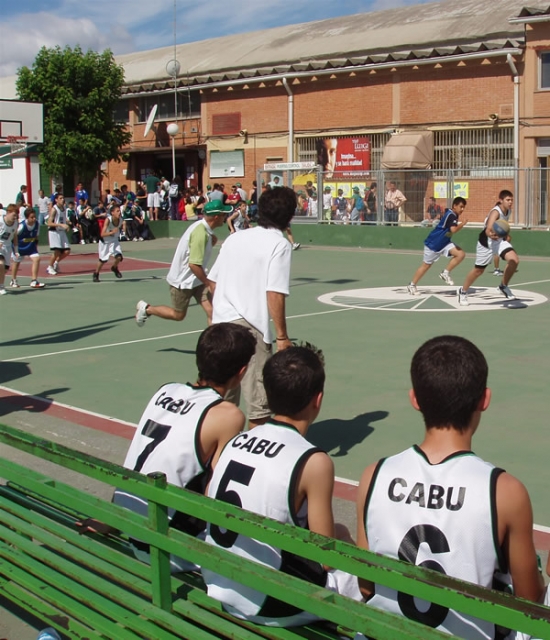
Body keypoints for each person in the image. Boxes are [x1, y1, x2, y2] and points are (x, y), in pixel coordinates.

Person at [355, 335, 545, 639]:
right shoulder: (505, 491)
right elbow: (529, 603)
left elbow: (366, 584)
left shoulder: (373, 475)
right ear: (485, 399)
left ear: (415, 399)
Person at [203, 345, 361, 626]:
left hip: (221, 584)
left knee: (340, 533)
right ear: (318, 400)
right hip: (269, 603)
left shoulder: (236, 441)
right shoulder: (313, 461)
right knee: (360, 573)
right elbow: (325, 558)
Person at [109, 322, 256, 572]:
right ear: (241, 372)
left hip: (128, 521)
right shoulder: (227, 415)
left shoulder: (166, 390)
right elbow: (216, 491)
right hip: (163, 544)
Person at [207, 186, 296, 428]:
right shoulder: (279, 245)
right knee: (259, 407)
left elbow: (212, 283)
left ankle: (217, 456)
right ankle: (250, 460)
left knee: (221, 400)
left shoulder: (235, 238)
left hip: (221, 324)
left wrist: (215, 315)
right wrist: (282, 337)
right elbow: (275, 293)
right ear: (289, 217)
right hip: (250, 329)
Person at [135, 200, 230, 327]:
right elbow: (193, 265)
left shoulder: (204, 229)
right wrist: (209, 283)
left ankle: (214, 345)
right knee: (178, 315)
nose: (225, 217)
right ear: (216, 217)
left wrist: (210, 242)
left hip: (197, 279)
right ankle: (147, 309)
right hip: (182, 282)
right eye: (224, 214)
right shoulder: (200, 234)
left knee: (212, 312)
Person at [458, 190, 518, 306]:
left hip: (498, 240)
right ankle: (463, 291)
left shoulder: (508, 210)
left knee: (514, 260)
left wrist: (505, 235)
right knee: (478, 270)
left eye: (511, 200)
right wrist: (490, 233)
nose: (510, 202)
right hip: (486, 242)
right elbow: (489, 228)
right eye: (508, 200)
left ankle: (503, 286)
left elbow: (501, 226)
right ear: (501, 200)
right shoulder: (495, 212)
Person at [407, 196, 468, 295]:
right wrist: (463, 224)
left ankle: (445, 272)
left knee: (460, 254)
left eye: (464, 207)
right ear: (455, 206)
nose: (462, 209)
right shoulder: (451, 215)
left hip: (445, 242)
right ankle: (412, 285)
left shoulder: (454, 214)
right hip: (434, 243)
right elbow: (453, 230)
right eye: (461, 207)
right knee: (426, 265)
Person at [10, 207, 45, 289]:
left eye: (34, 217)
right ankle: (13, 280)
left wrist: (35, 246)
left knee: (37, 259)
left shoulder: (37, 224)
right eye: (31, 217)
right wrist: (14, 249)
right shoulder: (21, 226)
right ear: (27, 218)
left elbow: (36, 237)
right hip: (20, 248)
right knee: (16, 262)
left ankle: (34, 280)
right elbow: (13, 236)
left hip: (31, 247)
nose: (34, 219)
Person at [92, 203, 123, 282]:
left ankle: (114, 267)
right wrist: (111, 232)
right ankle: (96, 274)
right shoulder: (108, 220)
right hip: (105, 241)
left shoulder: (121, 220)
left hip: (114, 241)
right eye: (117, 211)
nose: (119, 212)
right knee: (103, 260)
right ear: (112, 212)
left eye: (120, 211)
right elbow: (102, 234)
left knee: (119, 257)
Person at [46, 194, 71, 276]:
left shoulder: (64, 209)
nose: (62, 199)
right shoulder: (54, 209)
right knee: (57, 251)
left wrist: (67, 223)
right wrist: (61, 225)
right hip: (54, 232)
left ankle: (56, 263)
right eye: (60, 198)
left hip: (61, 232)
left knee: (67, 251)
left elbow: (62, 219)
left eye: (63, 198)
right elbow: (49, 223)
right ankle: (49, 267)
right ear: (56, 200)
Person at [0, 204, 19, 295]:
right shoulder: (0, 221)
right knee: (1, 264)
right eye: (14, 215)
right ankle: (1, 287)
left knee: (4, 270)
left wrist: (16, 250)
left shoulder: (15, 223)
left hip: (7, 248)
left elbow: (15, 237)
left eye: (16, 216)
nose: (15, 217)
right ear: (8, 212)